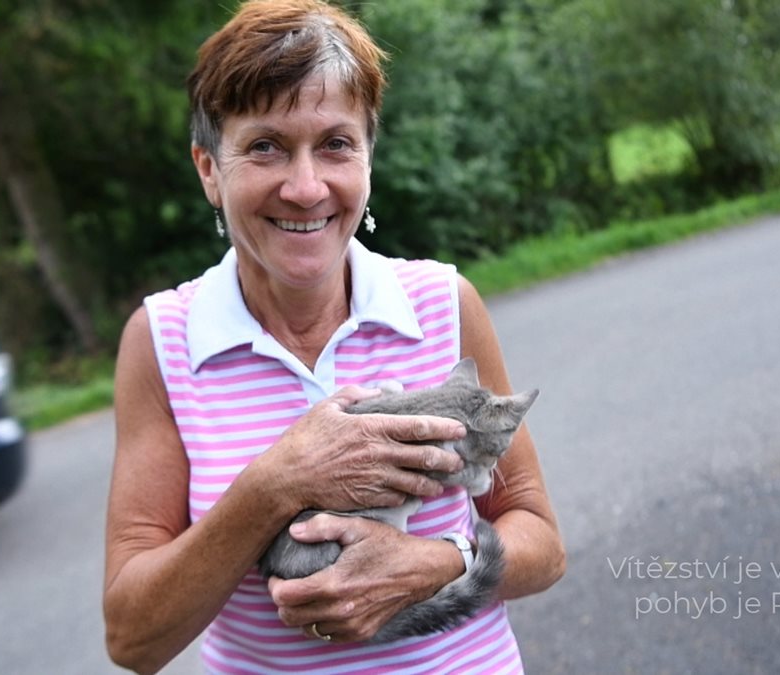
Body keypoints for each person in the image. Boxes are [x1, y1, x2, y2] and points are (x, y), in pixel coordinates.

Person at [103, 1, 565, 672]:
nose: (305, 187)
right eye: (265, 146)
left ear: (368, 159)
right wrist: (277, 483)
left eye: (336, 144)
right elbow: (133, 638)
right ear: (209, 170)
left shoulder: (442, 302)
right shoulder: (162, 340)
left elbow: (542, 544)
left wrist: (437, 563)